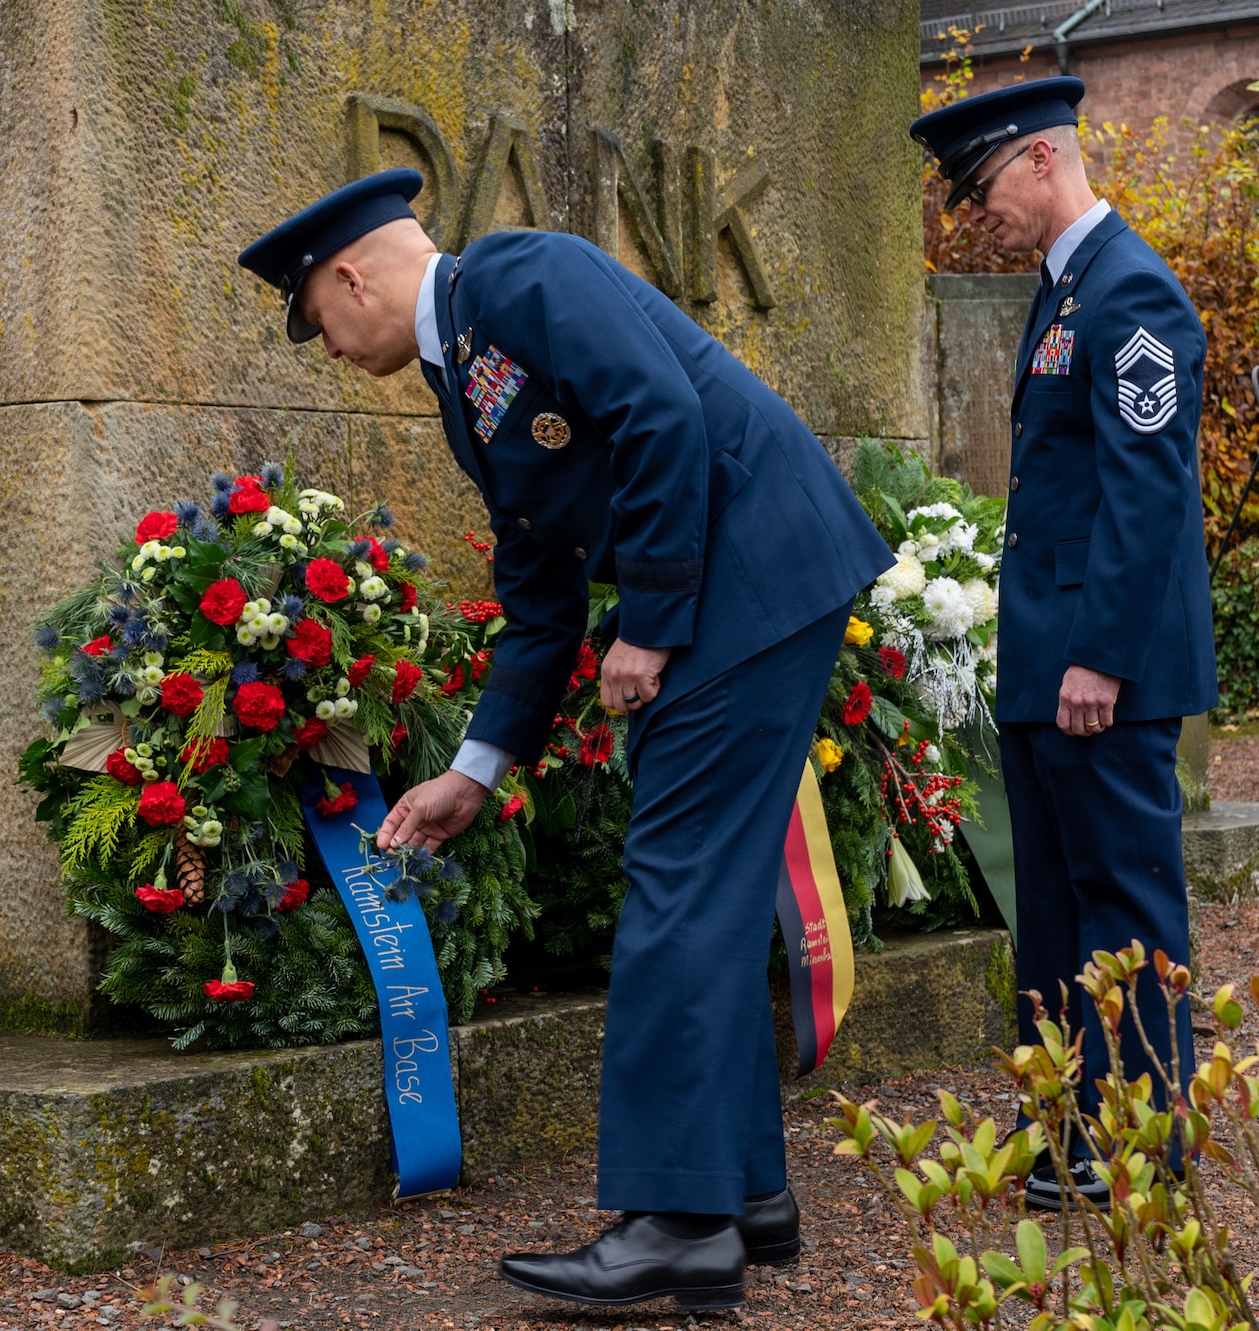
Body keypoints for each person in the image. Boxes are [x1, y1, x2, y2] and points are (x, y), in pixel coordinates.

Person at [238, 170, 891, 1310]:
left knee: (677, 886)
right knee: (708, 890)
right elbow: (538, 588)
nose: (327, 348)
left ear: (350, 276)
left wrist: (644, 620)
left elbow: (660, 416)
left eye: (316, 324)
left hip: (751, 583)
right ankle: (738, 1197)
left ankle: (677, 1222)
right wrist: (473, 771)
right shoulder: (462, 373)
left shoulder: (518, 273)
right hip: (745, 589)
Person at [909, 78, 1217, 1209]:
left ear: (1041, 159)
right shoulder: (1069, 288)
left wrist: (1098, 655)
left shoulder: (1129, 292)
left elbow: (1145, 496)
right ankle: (1078, 1121)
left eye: (982, 185)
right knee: (1054, 911)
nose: (974, 211)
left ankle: (1140, 1142)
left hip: (1100, 673)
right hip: (1051, 668)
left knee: (1123, 907)